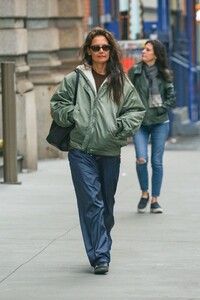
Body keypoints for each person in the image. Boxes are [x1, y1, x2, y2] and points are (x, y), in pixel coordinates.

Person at [50, 27, 145, 274]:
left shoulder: (120, 80)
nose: (101, 51)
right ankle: (101, 256)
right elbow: (57, 104)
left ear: (111, 50)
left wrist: (120, 126)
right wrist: (74, 115)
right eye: (96, 47)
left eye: (105, 47)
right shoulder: (76, 78)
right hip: (80, 150)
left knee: (106, 205)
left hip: (110, 151)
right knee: (92, 202)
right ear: (89, 51)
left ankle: (100, 243)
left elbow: (136, 110)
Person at [128, 39, 176, 214]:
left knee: (156, 162)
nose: (143, 52)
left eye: (147, 50)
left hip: (159, 122)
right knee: (141, 158)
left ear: (155, 54)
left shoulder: (164, 73)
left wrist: (161, 109)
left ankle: (155, 200)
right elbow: (127, 94)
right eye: (143, 49)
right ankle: (144, 193)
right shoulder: (134, 71)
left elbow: (171, 96)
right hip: (140, 122)